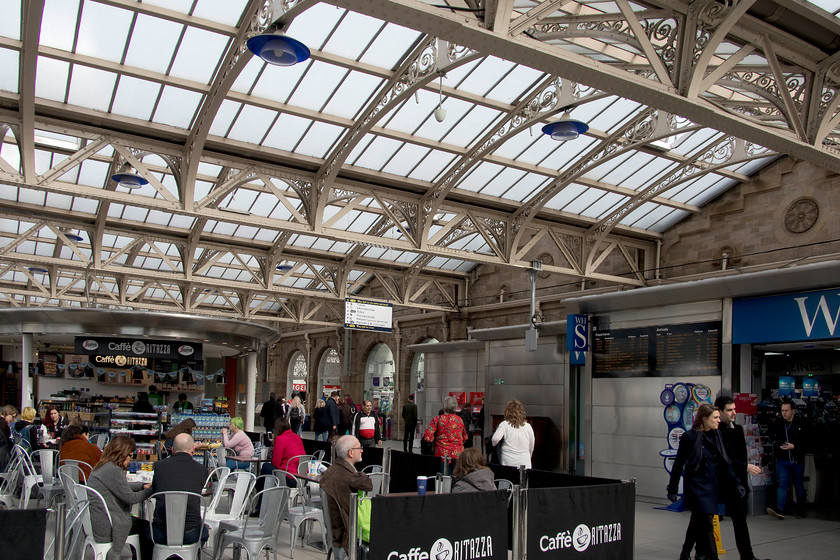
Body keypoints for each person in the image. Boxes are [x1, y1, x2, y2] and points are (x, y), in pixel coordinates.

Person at [667, 404, 743, 560]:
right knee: (707, 521)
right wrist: (672, 488)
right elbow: (679, 463)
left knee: (697, 520)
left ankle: (685, 552)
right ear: (704, 419)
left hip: (710, 484)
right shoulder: (690, 437)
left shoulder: (717, 435)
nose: (718, 421)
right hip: (695, 484)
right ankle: (712, 557)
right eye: (715, 418)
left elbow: (725, 461)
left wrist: (736, 482)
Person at [710, 396, 766, 560]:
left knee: (740, 520)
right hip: (719, 482)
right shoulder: (715, 432)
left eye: (734, 409)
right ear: (719, 412)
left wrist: (743, 480)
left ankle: (747, 555)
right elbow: (724, 459)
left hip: (736, 482)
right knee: (703, 520)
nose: (734, 412)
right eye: (729, 410)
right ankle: (698, 552)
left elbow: (740, 456)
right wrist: (744, 467)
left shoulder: (738, 430)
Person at [87, 436, 154, 560]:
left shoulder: (102, 466)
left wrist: (141, 486)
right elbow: (131, 498)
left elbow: (119, 486)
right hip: (108, 525)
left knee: (141, 525)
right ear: (121, 454)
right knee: (148, 528)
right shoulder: (113, 470)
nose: (130, 459)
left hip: (97, 520)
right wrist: (151, 490)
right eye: (130, 455)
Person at [149, 433, 210, 547]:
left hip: (160, 532)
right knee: (204, 532)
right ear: (193, 449)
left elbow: (155, 490)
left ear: (172, 449)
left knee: (147, 532)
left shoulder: (159, 466)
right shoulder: (201, 470)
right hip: (190, 532)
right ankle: (191, 555)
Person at [319, 435, 373, 558]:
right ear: (351, 452)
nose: (362, 450)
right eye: (360, 447)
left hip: (336, 531)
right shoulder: (348, 478)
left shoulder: (332, 471)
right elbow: (355, 511)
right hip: (346, 536)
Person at [767, 399, 807, 519]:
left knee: (798, 484)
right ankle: (780, 508)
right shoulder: (778, 423)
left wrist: (794, 446)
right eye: (782, 410)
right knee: (782, 483)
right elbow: (771, 435)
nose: (784, 413)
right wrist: (777, 444)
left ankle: (801, 509)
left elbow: (807, 440)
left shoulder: (801, 423)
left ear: (793, 411)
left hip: (797, 459)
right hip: (783, 459)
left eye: (786, 411)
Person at [491, 399, 535, 469]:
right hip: (524, 460)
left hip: (508, 460)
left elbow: (495, 439)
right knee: (523, 479)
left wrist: (494, 444)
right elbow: (531, 444)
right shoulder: (528, 426)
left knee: (508, 479)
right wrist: (527, 455)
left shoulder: (504, 424)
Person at [261, 417, 305, 486]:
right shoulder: (297, 437)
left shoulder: (280, 439)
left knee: (265, 466)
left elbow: (276, 463)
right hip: (301, 478)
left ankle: (260, 493)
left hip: (288, 477)